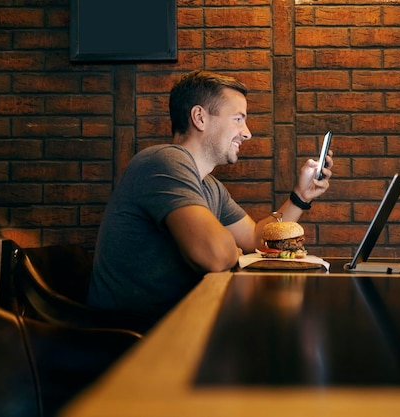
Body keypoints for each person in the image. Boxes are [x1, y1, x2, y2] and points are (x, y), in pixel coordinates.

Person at [86, 70, 334, 328]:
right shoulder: (164, 161)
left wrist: (300, 196)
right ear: (199, 118)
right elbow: (214, 255)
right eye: (238, 119)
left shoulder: (210, 186)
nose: (247, 133)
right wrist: (227, 246)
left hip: (179, 325)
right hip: (136, 340)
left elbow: (255, 239)